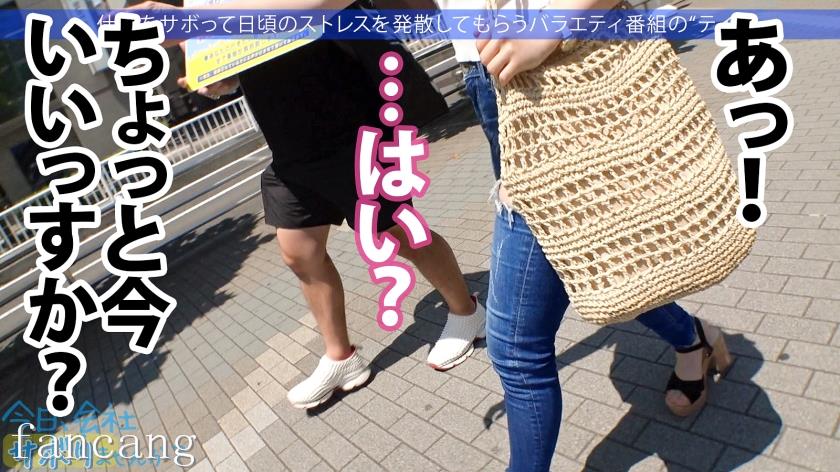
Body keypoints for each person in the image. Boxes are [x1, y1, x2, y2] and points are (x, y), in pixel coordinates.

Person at [136, 0, 487, 409]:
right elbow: (246, 52)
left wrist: (199, 21)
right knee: (299, 251)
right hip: (289, 145)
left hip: (352, 125)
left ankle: (467, 312)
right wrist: (219, 76)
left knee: (396, 233)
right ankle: (341, 358)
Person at [470, 1, 733, 470]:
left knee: (516, 347)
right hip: (495, 85)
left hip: (560, 69)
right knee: (609, 259)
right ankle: (693, 338)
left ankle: (693, 339)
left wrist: (551, 28)